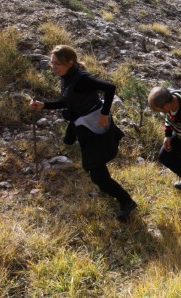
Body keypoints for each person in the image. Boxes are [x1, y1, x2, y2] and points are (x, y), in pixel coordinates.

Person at [28, 45, 136, 221]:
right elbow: (67, 101)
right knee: (97, 165)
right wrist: (44, 105)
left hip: (94, 127)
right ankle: (106, 186)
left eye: (58, 64)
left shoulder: (81, 79)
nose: (54, 67)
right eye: (52, 63)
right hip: (85, 128)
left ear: (70, 62)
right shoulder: (67, 77)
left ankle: (126, 201)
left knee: (95, 170)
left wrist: (104, 113)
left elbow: (110, 88)